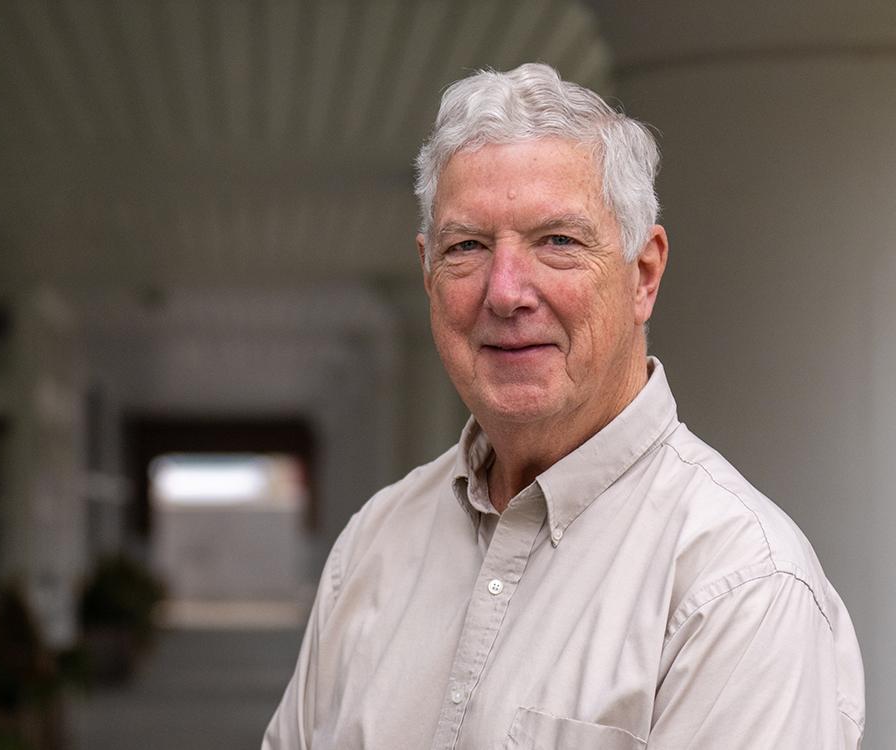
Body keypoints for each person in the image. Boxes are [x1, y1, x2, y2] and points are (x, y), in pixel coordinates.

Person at [262, 63, 865, 749]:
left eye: (558, 242)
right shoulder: (374, 542)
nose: (507, 291)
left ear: (643, 275)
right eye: (468, 247)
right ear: (429, 275)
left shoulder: (741, 586)